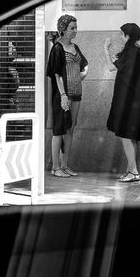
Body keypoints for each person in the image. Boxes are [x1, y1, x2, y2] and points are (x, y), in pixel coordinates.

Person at [103, 23, 140, 182]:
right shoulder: (137, 51)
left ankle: (134, 171)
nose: (119, 36)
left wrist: (105, 49)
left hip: (128, 101)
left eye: (121, 34)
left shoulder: (131, 51)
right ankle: (130, 169)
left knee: (125, 135)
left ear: (128, 35)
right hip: (136, 100)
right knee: (131, 136)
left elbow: (110, 68)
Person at [46, 14, 88, 177]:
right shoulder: (57, 48)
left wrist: (82, 74)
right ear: (62, 30)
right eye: (72, 28)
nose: (75, 31)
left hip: (77, 93)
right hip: (63, 95)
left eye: (76, 27)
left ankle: (65, 165)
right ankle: (55, 167)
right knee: (58, 129)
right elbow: (56, 74)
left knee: (70, 129)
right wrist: (63, 95)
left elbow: (84, 65)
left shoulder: (75, 47)